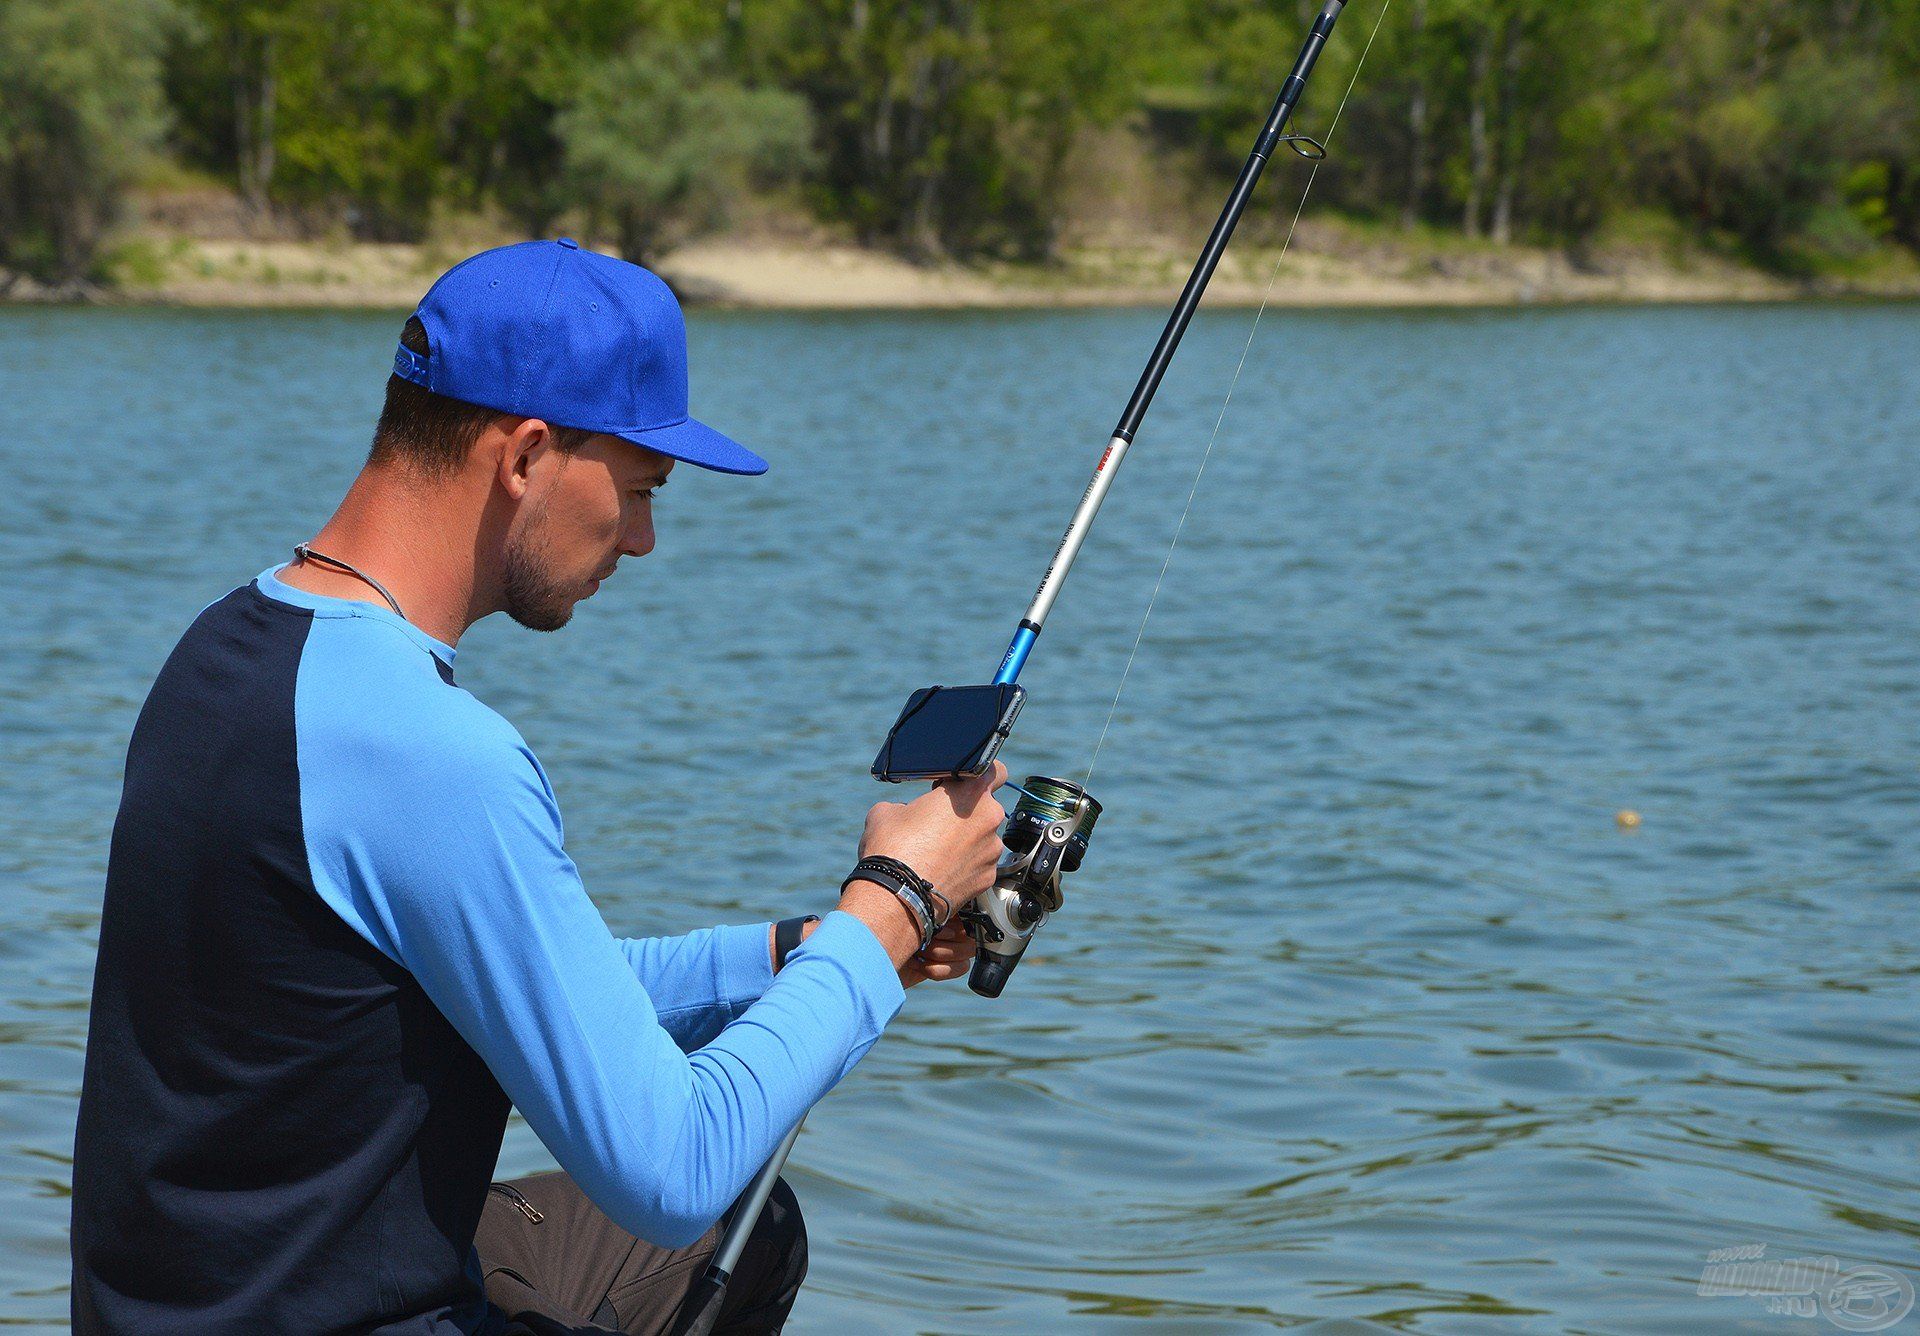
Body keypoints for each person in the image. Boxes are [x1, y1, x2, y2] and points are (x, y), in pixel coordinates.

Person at [69, 238, 1008, 1335]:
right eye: (642, 489)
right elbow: (673, 1164)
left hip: (178, 1305)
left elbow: (495, 979)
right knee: (727, 1216)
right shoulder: (429, 752)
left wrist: (802, 949)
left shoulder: (226, 647)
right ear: (525, 455)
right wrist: (892, 895)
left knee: (749, 1227)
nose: (647, 540)